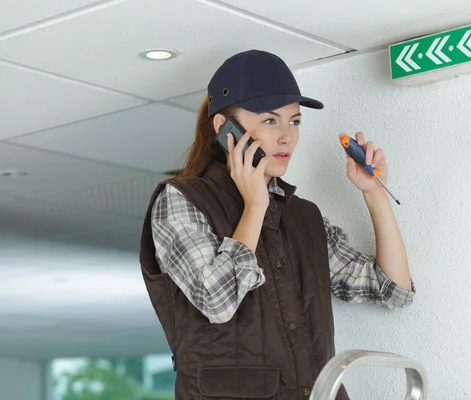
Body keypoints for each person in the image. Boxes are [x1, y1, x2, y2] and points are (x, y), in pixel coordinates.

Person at [139, 49, 415, 400]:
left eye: (295, 121)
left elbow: (393, 289)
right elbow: (216, 300)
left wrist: (373, 192)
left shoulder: (303, 216)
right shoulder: (180, 199)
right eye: (270, 121)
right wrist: (255, 205)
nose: (287, 136)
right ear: (225, 129)